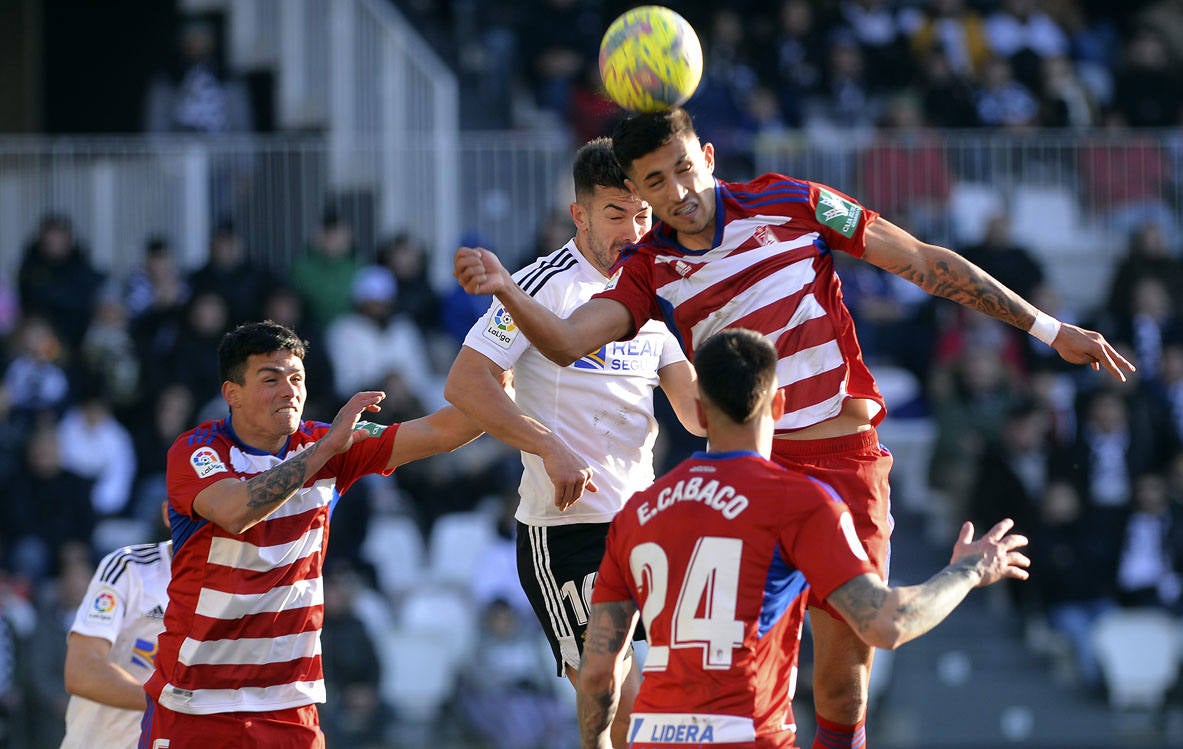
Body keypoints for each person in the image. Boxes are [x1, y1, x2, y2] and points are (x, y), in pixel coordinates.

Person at [453, 107, 1133, 747]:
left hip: (844, 461)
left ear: (708, 156)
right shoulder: (649, 267)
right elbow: (569, 341)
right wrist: (507, 290)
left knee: (844, 674)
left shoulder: (794, 202)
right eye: (655, 182)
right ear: (636, 190)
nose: (679, 190)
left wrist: (1047, 329)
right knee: (749, 676)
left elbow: (921, 262)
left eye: (685, 167)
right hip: (750, 475)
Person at [577, 328, 1031, 749]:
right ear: (778, 405)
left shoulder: (638, 512)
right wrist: (969, 570)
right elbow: (886, 624)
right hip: (749, 736)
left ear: (697, 410)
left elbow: (599, 673)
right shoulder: (799, 503)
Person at [444, 137, 703, 749]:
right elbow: (465, 382)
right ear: (579, 214)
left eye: (644, 214)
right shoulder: (540, 286)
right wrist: (547, 446)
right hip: (568, 532)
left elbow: (695, 414)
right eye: (617, 214)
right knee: (624, 698)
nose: (634, 230)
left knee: (663, 708)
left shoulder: (653, 295)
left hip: (643, 529)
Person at [141, 320, 482, 748]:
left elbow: (443, 431)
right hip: (196, 704)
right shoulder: (197, 450)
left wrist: (505, 351)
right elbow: (236, 510)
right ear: (233, 394)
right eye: (271, 379)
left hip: (289, 704)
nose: (289, 390)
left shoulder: (327, 441)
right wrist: (325, 452)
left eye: (296, 378)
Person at [61, 506, 172, 749]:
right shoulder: (128, 567)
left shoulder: (246, 592)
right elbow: (81, 672)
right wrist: (172, 705)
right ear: (168, 513)